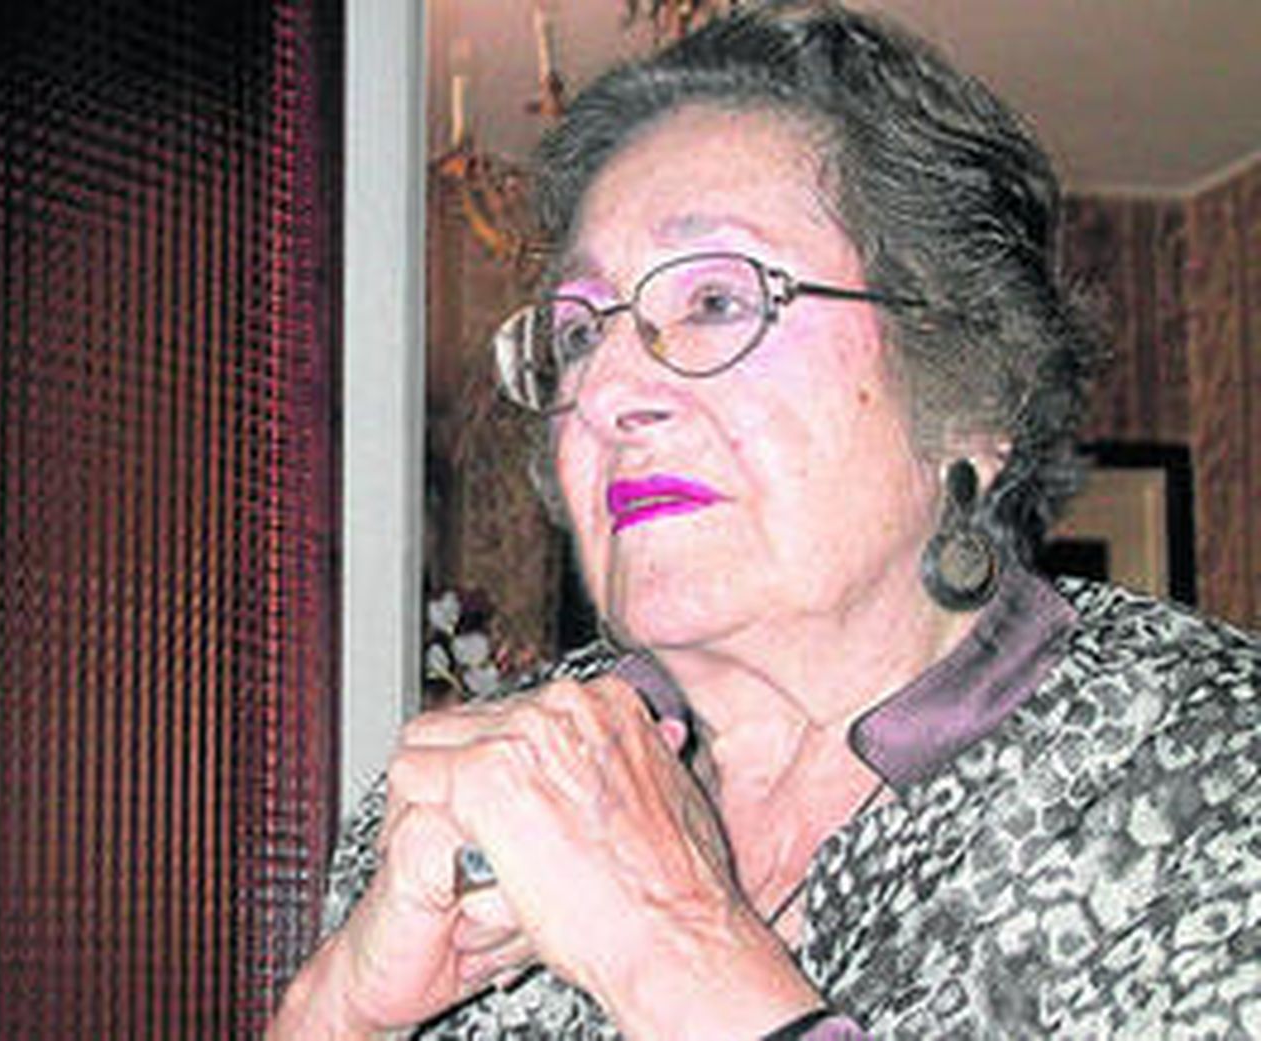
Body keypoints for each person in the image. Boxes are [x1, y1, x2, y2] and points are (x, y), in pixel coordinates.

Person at [270, 2, 1261, 1037]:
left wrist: (672, 946)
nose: (604, 391)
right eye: (579, 333)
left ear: (967, 394)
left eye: (715, 302)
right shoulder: (492, 780)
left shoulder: (1208, 775)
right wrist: (336, 1010)